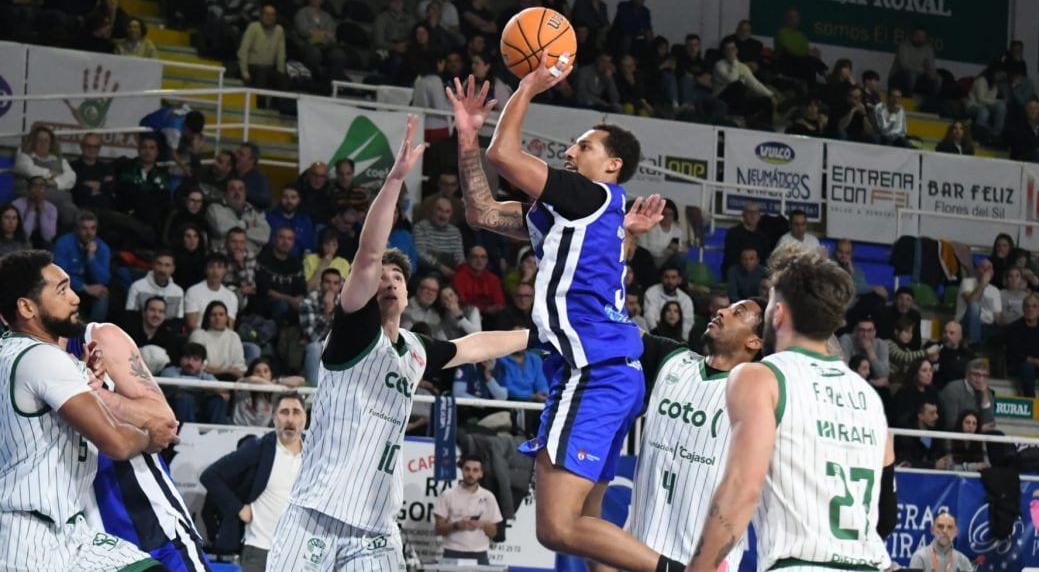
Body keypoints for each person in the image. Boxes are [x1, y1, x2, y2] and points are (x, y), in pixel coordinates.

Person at [266, 117, 531, 570]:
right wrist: (393, 182)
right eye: (380, 279)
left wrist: (542, 333)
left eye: (397, 278)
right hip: (316, 513)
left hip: (376, 525)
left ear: (407, 292)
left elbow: (475, 346)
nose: (388, 282)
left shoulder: (416, 348)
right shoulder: (352, 333)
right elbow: (369, 255)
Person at [447, 70, 674, 572]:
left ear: (612, 166)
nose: (570, 153)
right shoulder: (574, 219)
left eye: (584, 146)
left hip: (594, 373)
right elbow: (482, 212)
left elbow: (504, 156)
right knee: (588, 534)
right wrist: (467, 137)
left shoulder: (588, 197)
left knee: (556, 527)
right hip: (610, 373)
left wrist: (525, 88)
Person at [687, 246, 893, 572]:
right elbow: (887, 511)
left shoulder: (762, 377)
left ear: (779, 313)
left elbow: (742, 489)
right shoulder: (868, 396)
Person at [0, 249, 177, 570]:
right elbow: (118, 442)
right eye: (61, 290)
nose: (75, 298)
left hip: (70, 531)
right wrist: (148, 437)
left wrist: (81, 376)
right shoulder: (42, 357)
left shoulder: (12, 353)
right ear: (26, 306)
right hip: (28, 536)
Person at [624, 298, 766, 572]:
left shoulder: (759, 395)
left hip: (700, 564)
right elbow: (619, 331)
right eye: (725, 308)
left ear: (755, 342)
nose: (722, 311)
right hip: (639, 554)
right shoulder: (672, 358)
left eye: (739, 313)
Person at [61, 319, 211, 571]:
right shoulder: (16, 365)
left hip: (150, 522)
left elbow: (165, 422)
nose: (73, 297)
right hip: (83, 543)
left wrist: (99, 395)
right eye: (60, 289)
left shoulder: (97, 339)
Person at [200, 393, 307, 570]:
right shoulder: (259, 448)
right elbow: (210, 475)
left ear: (305, 418)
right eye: (284, 412)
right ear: (274, 418)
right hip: (260, 549)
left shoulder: (314, 455)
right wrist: (238, 508)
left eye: (296, 412)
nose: (290, 419)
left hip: (299, 552)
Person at [434, 455, 504, 564]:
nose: (470, 474)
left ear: (481, 474)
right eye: (467, 469)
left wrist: (483, 524)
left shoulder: (488, 497)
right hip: (452, 552)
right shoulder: (448, 495)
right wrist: (456, 525)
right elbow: (438, 529)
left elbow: (494, 532)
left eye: (475, 470)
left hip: (480, 554)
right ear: (461, 470)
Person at [907, 512, 974, 571]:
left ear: (956, 532)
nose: (945, 531)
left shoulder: (963, 561)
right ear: (932, 530)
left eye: (950, 527)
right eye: (940, 526)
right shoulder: (919, 557)